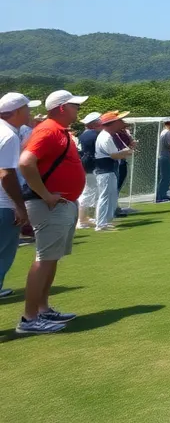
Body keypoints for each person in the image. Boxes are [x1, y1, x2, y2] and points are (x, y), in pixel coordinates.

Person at [16, 89, 88, 335]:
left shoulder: (57, 130)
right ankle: (29, 318)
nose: (78, 109)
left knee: (50, 259)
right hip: (48, 204)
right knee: (44, 259)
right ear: (61, 108)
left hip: (60, 204)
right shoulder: (48, 130)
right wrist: (46, 195)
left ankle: (43, 309)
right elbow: (26, 162)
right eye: (74, 106)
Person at [0, 93, 40, 300]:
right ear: (16, 112)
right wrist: (20, 206)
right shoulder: (9, 135)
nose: (29, 113)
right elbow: (6, 174)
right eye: (27, 108)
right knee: (4, 252)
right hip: (3, 204)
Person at [92, 111, 133, 232]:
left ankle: (105, 221)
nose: (121, 123)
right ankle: (100, 223)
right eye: (118, 121)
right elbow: (114, 155)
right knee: (104, 197)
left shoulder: (107, 136)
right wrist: (127, 152)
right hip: (105, 170)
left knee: (110, 196)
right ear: (112, 124)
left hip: (109, 170)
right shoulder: (105, 137)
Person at [75, 112, 103, 229]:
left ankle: (84, 217)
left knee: (88, 191)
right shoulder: (93, 135)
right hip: (90, 167)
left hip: (84, 165)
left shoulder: (83, 135)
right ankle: (81, 220)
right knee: (88, 192)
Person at [155, 120, 170, 203]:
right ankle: (160, 196)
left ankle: (163, 194)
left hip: (162, 156)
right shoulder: (168, 133)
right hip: (165, 156)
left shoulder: (163, 132)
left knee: (165, 176)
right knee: (166, 176)